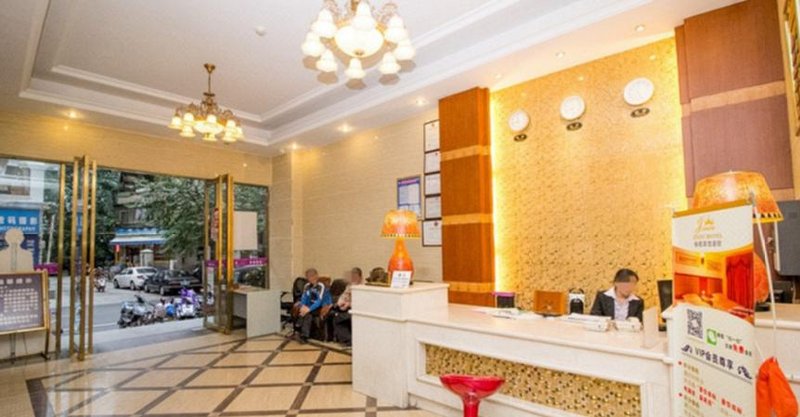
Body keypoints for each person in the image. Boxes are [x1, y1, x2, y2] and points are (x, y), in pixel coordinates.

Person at [295, 268, 332, 343]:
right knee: (306, 312)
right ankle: (303, 334)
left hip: (321, 306)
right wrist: (303, 306)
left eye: (312, 276)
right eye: (308, 276)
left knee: (308, 313)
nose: (310, 278)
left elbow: (319, 301)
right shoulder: (307, 286)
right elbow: (304, 298)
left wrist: (309, 309)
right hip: (310, 306)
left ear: (316, 276)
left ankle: (300, 329)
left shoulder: (321, 286)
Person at [332, 267, 363, 346]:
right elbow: (343, 297)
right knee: (336, 316)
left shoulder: (362, 288)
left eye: (355, 275)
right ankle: (346, 340)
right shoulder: (349, 286)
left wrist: (348, 304)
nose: (353, 277)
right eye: (352, 275)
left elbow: (360, 302)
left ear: (360, 277)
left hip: (356, 310)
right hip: (345, 308)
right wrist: (340, 303)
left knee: (339, 319)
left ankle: (348, 340)